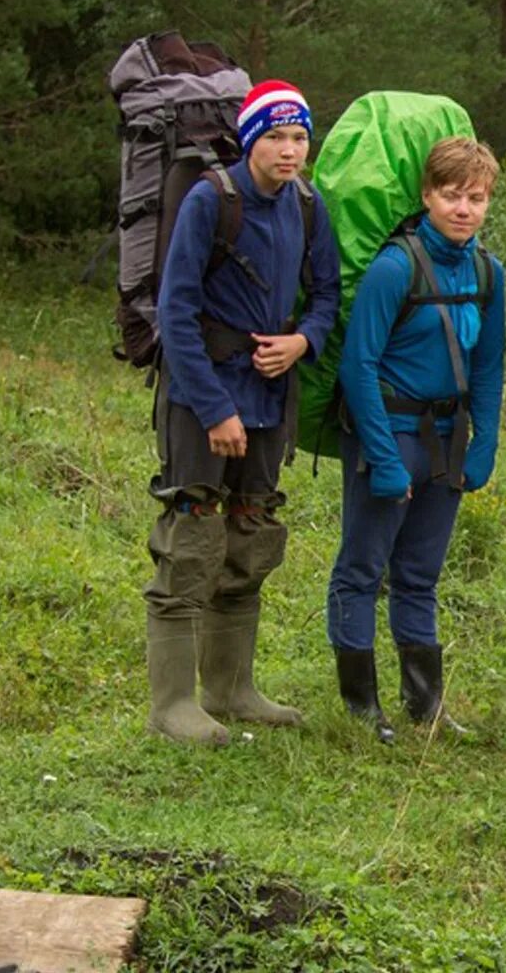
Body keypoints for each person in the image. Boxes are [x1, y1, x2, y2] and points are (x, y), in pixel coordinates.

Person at [144, 79, 343, 745]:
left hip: (269, 398)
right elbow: (174, 311)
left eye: (299, 138)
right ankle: (172, 705)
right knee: (192, 536)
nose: (291, 151)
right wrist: (213, 407)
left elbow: (326, 296)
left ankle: (231, 689)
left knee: (251, 533)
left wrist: (302, 341)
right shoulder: (211, 201)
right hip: (205, 396)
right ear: (253, 139)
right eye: (278, 137)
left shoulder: (310, 207)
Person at [327, 136, 506, 742]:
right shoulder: (394, 268)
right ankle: (361, 706)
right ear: (427, 195)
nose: (463, 209)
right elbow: (359, 366)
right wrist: (380, 457)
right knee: (362, 568)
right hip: (390, 434)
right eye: (451, 195)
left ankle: (424, 704)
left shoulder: (488, 272)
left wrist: (485, 442)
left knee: (420, 574)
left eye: (476, 198)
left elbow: (486, 365)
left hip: (447, 441)